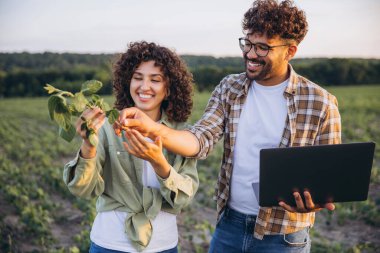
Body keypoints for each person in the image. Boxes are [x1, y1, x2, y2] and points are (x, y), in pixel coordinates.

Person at [114, 0, 341, 252]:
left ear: (290, 51)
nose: (251, 54)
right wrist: (153, 128)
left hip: (284, 236)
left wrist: (314, 202)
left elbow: (328, 178)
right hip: (229, 226)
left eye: (263, 47)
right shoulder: (230, 88)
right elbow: (199, 139)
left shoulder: (321, 102)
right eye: (248, 43)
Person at [63, 41, 199, 253]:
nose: (144, 87)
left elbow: (184, 198)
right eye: (137, 78)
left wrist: (159, 162)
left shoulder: (180, 134)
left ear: (169, 88)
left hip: (163, 245)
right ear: (127, 81)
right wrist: (88, 145)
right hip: (110, 243)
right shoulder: (108, 125)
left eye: (155, 80)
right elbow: (83, 188)